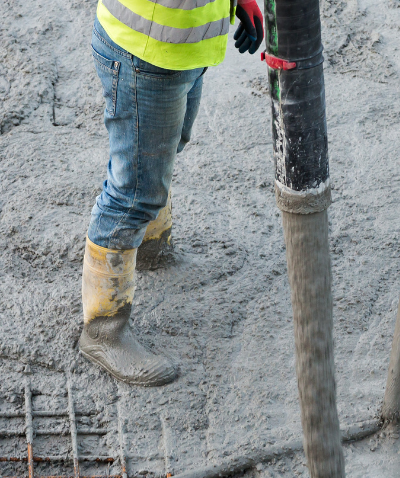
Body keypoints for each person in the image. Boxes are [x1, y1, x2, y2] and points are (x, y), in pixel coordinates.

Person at [82, 0, 266, 386]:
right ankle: (103, 331)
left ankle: (148, 247)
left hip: (179, 48)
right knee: (133, 192)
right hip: (144, 52)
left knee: (162, 153)